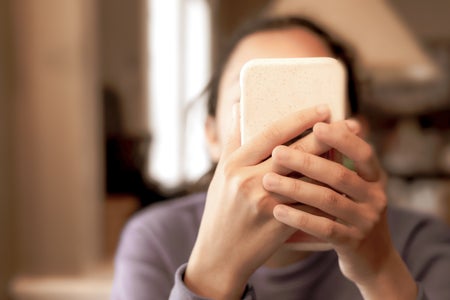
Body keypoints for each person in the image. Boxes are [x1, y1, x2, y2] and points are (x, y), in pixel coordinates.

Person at [111, 15, 450, 300]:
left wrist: (380, 270)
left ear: (354, 130)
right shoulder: (157, 238)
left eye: (310, 101)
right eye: (255, 102)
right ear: (212, 135)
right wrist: (212, 273)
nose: (287, 133)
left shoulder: (418, 241)